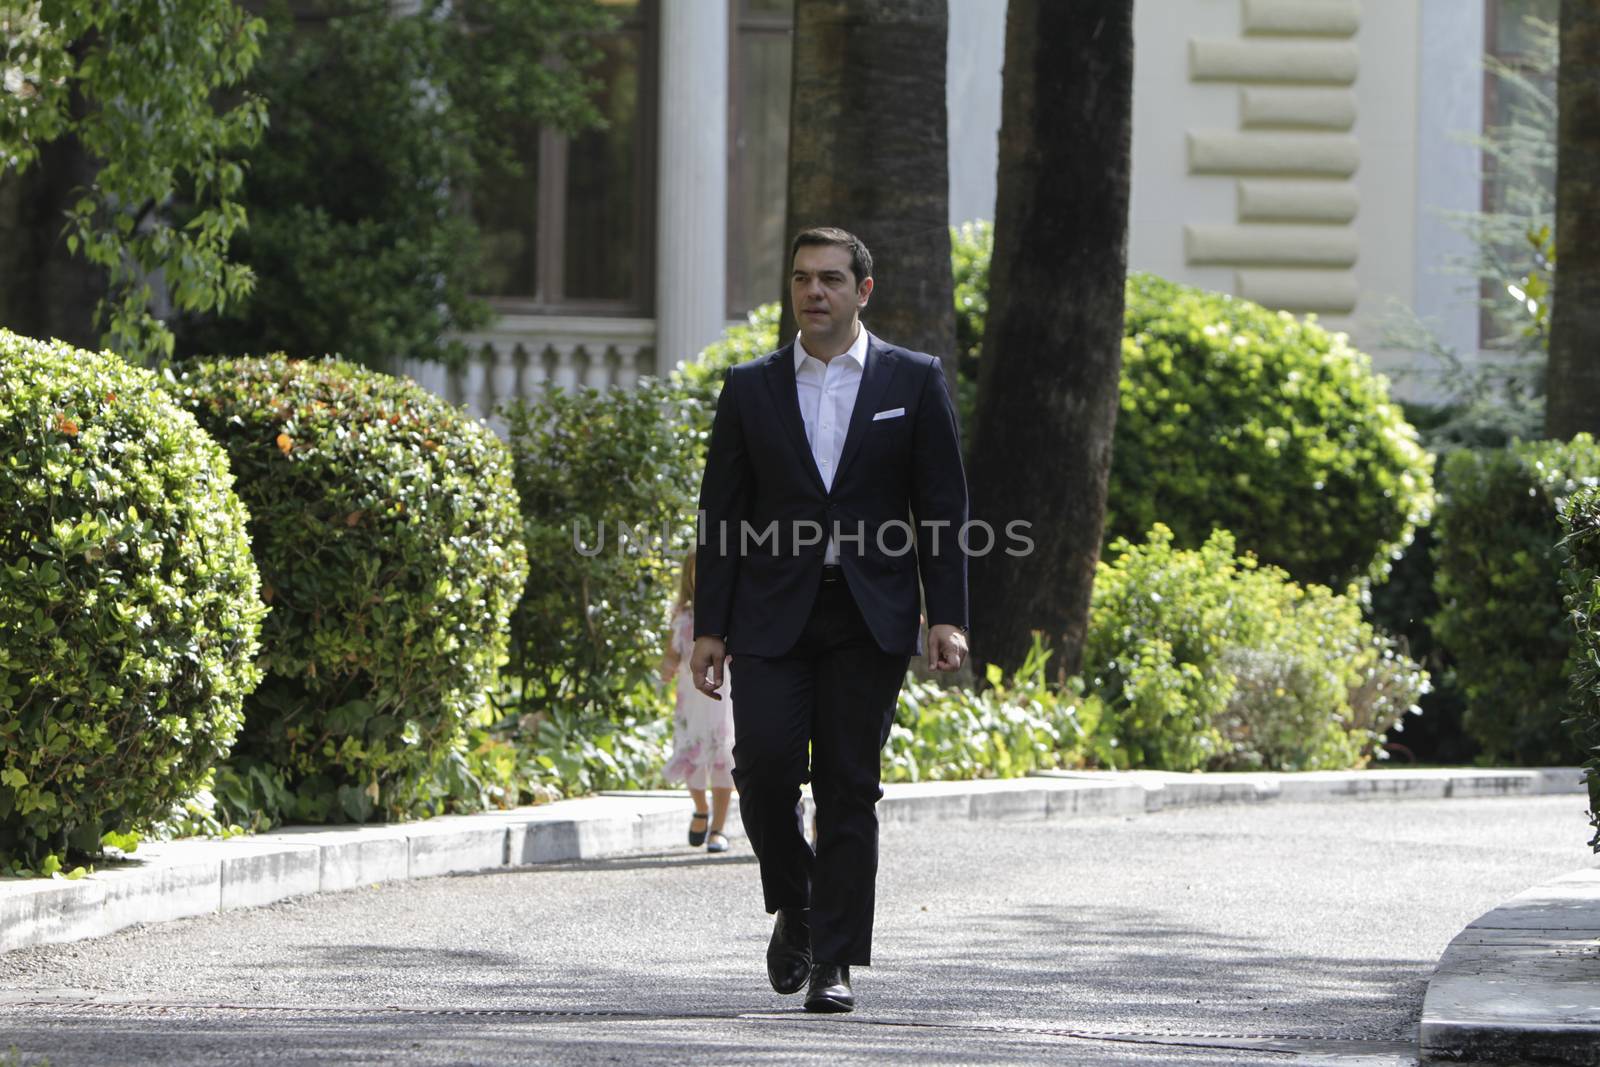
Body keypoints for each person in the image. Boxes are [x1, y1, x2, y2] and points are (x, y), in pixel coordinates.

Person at [690, 226, 969, 1014]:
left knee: (850, 785)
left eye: (832, 279)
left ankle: (835, 958)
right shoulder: (751, 387)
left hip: (869, 615)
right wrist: (711, 626)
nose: (816, 292)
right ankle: (799, 901)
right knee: (766, 771)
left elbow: (943, 510)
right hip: (771, 614)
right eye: (804, 279)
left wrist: (946, 615)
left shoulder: (913, 381)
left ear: (863, 290)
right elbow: (722, 514)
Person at [659, 552, 735, 853]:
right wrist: (667, 665)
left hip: (722, 697)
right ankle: (700, 808)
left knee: (722, 758)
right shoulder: (683, 615)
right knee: (691, 757)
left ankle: (718, 827)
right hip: (691, 699)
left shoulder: (729, 613)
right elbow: (672, 653)